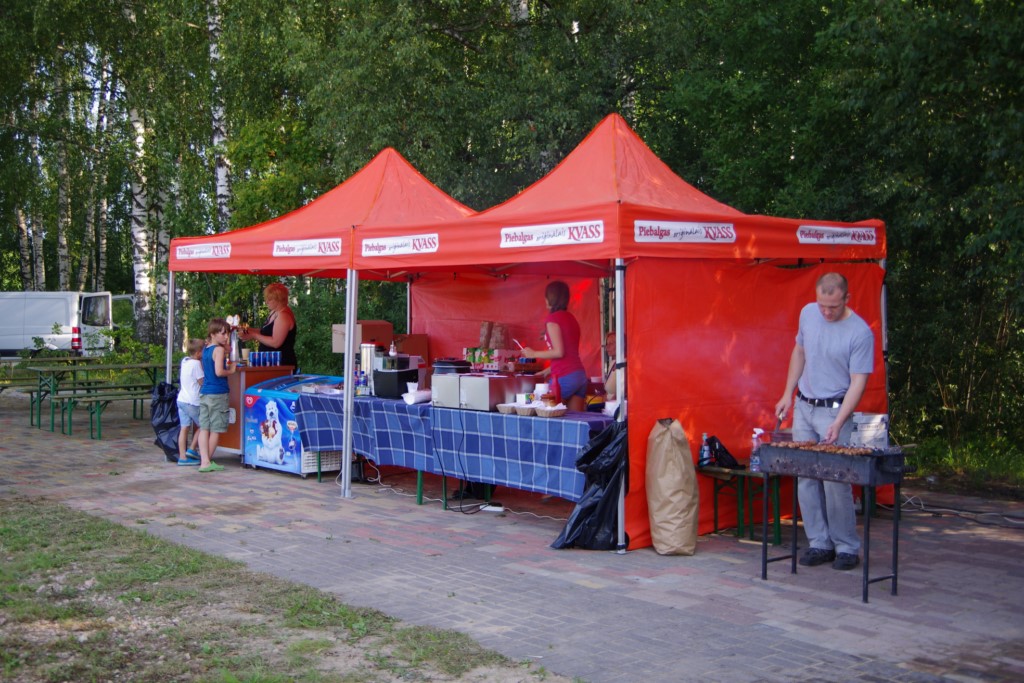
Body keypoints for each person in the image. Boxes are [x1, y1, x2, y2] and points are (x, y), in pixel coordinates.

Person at [774, 272, 875, 571]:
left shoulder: (860, 333)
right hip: (805, 405)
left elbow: (858, 383)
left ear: (847, 299)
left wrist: (840, 420)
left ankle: (846, 547)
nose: (826, 312)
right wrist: (787, 393)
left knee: (835, 480)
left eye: (833, 306)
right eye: (822, 305)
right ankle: (819, 542)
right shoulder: (808, 313)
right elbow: (800, 352)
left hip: (835, 409)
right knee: (806, 477)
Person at [521, 281, 587, 412]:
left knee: (546, 416)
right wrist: (547, 371)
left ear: (549, 299)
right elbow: (568, 353)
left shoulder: (552, 319)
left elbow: (559, 352)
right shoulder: (571, 318)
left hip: (564, 377)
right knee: (575, 420)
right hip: (579, 376)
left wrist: (533, 353)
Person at [198, 319, 237, 473]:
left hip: (205, 393)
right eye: (223, 333)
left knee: (204, 428)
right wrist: (231, 370)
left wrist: (225, 346)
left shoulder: (206, 349)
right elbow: (219, 372)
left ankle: (204, 461)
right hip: (218, 393)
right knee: (215, 429)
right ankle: (207, 462)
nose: (226, 337)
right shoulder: (219, 350)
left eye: (227, 333)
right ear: (213, 334)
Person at [239, 283, 297, 369]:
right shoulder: (274, 312)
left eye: (269, 299)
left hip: (282, 365)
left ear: (279, 299)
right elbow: (265, 332)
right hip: (271, 364)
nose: (266, 302)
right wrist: (248, 330)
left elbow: (275, 342)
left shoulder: (283, 316)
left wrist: (254, 335)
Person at [175, 338, 204, 466]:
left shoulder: (185, 361)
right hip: (192, 402)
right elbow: (201, 382)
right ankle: (192, 449)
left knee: (184, 428)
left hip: (181, 399)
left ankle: (182, 457)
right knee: (204, 425)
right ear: (198, 353)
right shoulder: (196, 364)